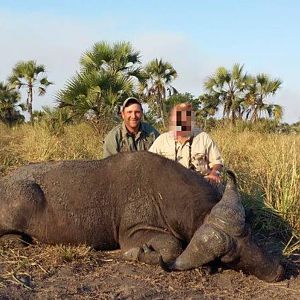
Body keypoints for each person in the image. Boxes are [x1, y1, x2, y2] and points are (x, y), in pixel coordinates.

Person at [149, 103, 223, 183]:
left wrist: (214, 173)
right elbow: (148, 162)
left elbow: (217, 162)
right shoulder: (162, 140)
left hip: (200, 185)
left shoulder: (203, 137)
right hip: (170, 185)